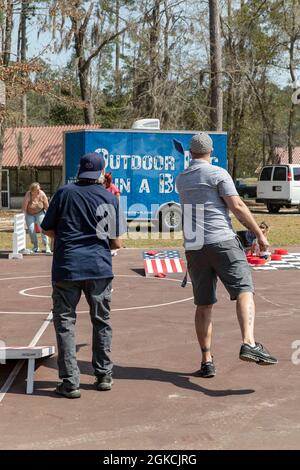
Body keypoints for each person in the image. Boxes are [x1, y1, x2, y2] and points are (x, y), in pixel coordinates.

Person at [176, 132, 277, 378]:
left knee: (203, 304)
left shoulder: (181, 179)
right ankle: (249, 342)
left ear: (190, 153)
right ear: (211, 152)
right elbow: (238, 206)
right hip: (221, 240)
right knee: (244, 289)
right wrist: (259, 235)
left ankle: (206, 360)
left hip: (195, 246)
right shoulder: (218, 174)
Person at [41, 152, 125, 398]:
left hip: (67, 266)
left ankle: (70, 381)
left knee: (65, 323)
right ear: (101, 172)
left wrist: (67, 240)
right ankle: (103, 375)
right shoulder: (109, 198)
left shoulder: (65, 193)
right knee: (101, 321)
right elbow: (116, 242)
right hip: (98, 267)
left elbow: (46, 228)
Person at [22, 182, 51, 253]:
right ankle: (35, 246)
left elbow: (47, 206)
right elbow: (24, 207)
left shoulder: (42, 194)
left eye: (39, 189)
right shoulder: (28, 194)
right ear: (32, 191)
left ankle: (46, 245)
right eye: (37, 190)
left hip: (40, 212)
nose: (39, 190)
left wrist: (50, 216)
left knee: (43, 228)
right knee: (31, 229)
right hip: (29, 214)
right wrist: (23, 217)